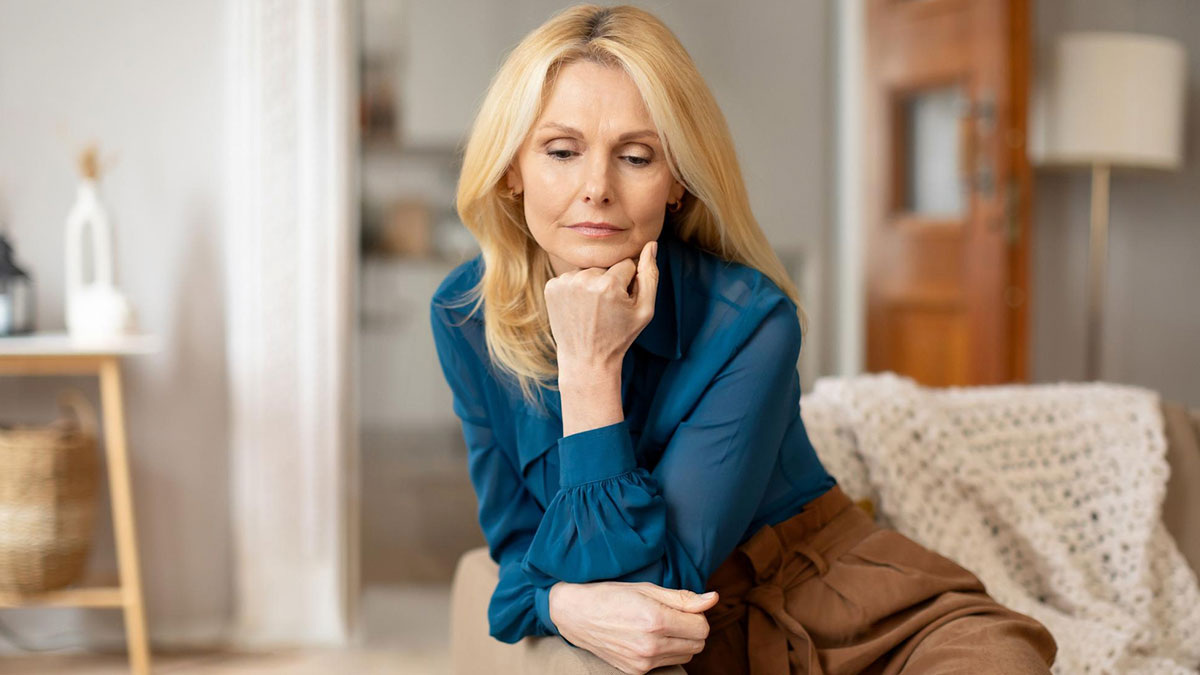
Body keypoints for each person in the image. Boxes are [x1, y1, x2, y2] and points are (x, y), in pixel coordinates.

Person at [430, 5, 1057, 674]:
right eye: (561, 151)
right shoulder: (467, 315)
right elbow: (520, 548)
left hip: (842, 602)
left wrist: (588, 366)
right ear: (512, 168)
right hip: (699, 641)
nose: (596, 189)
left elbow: (653, 584)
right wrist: (557, 604)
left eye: (636, 156)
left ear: (676, 181)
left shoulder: (752, 320)